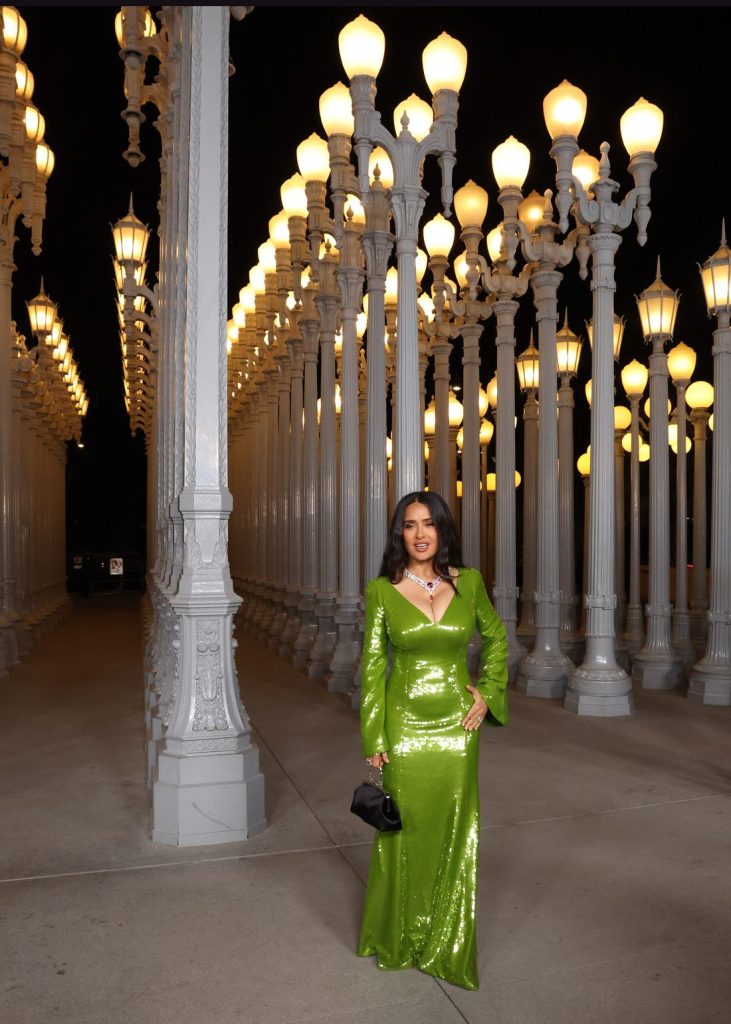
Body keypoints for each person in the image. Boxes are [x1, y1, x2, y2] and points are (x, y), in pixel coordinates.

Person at [357, 490, 508, 991]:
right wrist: (374, 735)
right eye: (409, 525)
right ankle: (400, 935)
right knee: (405, 830)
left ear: (442, 530)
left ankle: (447, 941)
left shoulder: (470, 584)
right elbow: (374, 666)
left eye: (429, 524)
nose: (420, 534)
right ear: (399, 534)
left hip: (457, 726)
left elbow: (497, 637)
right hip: (405, 726)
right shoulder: (382, 590)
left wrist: (486, 692)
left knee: (455, 829)